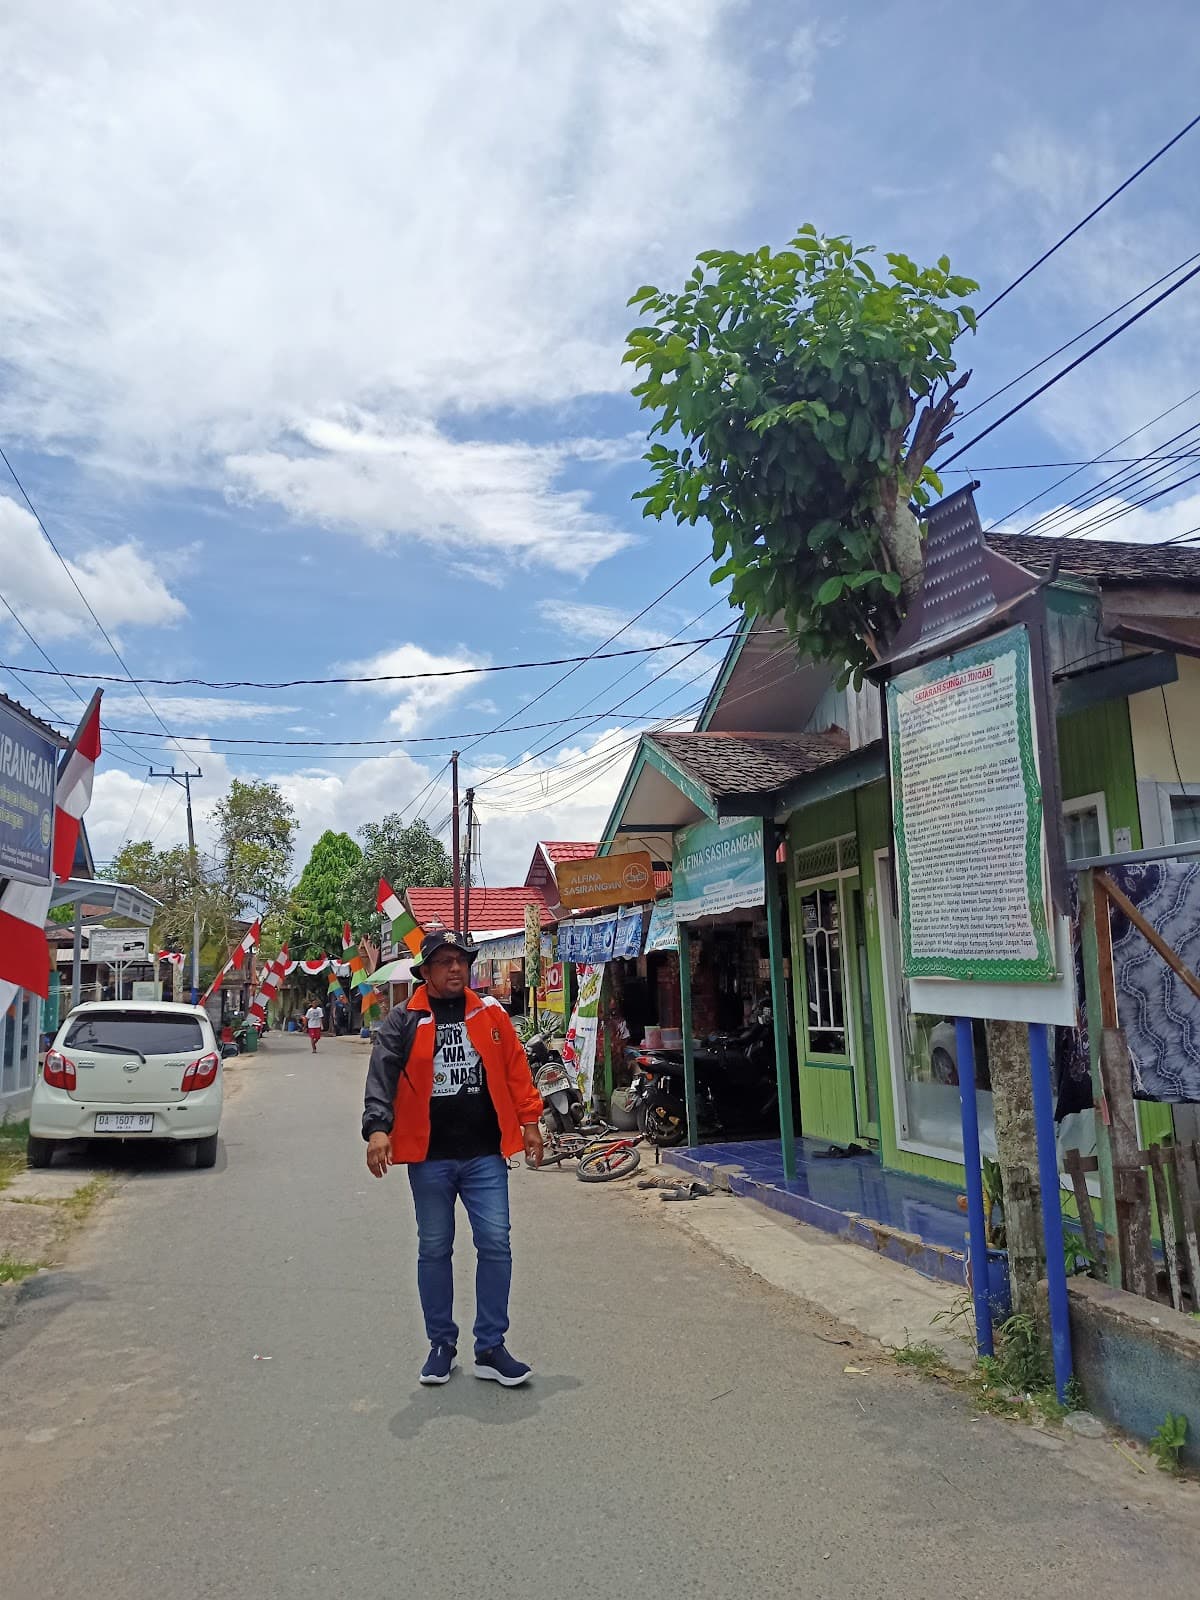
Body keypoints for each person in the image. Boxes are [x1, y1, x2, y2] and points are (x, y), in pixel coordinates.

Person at [362, 930, 544, 1388]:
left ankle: (490, 1347)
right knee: (434, 1248)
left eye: (460, 961)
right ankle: (441, 1345)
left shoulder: (491, 1014)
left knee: (496, 1244)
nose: (455, 969)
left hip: (484, 1154)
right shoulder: (403, 1020)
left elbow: (516, 1070)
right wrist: (378, 1129)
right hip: (430, 1157)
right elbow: (381, 1077)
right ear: (425, 972)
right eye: (444, 962)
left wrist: (530, 1122)